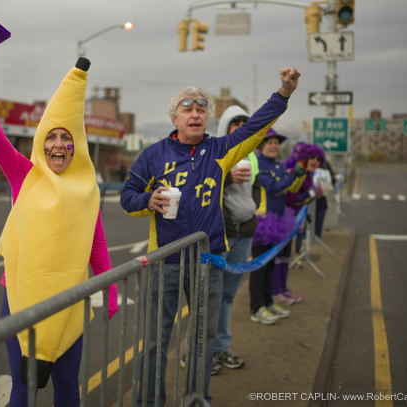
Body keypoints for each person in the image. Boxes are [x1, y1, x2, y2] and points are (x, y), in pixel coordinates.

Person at [121, 67, 300, 406]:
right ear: (175, 117)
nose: (196, 114)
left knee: (203, 339)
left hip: (208, 262)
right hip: (166, 262)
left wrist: (283, 94)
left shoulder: (221, 149)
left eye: (201, 108)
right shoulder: (154, 155)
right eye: (188, 108)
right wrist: (149, 200)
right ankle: (150, 402)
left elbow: (254, 127)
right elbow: (127, 196)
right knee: (156, 340)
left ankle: (197, 398)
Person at [0, 51, 119, 407]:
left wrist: (108, 288)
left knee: (67, 385)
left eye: (67, 137)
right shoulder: (23, 174)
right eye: (51, 137)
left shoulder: (87, 189)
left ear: (76, 146)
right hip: (19, 296)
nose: (58, 145)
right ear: (40, 143)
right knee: (24, 386)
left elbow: (95, 242)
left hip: (71, 299)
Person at [211, 106, 262, 372]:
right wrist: (227, 178)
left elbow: (256, 187)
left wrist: (252, 209)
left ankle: (220, 348)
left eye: (245, 121)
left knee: (228, 295)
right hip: (222, 235)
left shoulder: (251, 156)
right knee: (210, 295)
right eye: (235, 122)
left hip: (244, 233)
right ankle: (196, 351)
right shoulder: (215, 153)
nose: (241, 125)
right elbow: (204, 185)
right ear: (225, 127)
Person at [250, 128, 306, 324]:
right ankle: (256, 308)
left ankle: (268, 302)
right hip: (263, 223)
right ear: (261, 145)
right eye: (269, 142)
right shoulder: (258, 164)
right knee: (259, 267)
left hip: (279, 222)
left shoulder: (278, 165)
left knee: (271, 266)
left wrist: (299, 174)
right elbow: (274, 189)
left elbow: (289, 188)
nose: (274, 146)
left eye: (276, 143)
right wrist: (293, 175)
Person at [274, 143, 326, 305]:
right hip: (280, 218)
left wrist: (311, 195)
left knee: (285, 257)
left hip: (291, 219)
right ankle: (276, 292)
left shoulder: (307, 173)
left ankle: (283, 289)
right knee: (278, 257)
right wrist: (311, 194)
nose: (315, 161)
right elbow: (291, 199)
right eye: (312, 157)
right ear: (303, 157)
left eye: (318, 159)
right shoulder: (295, 170)